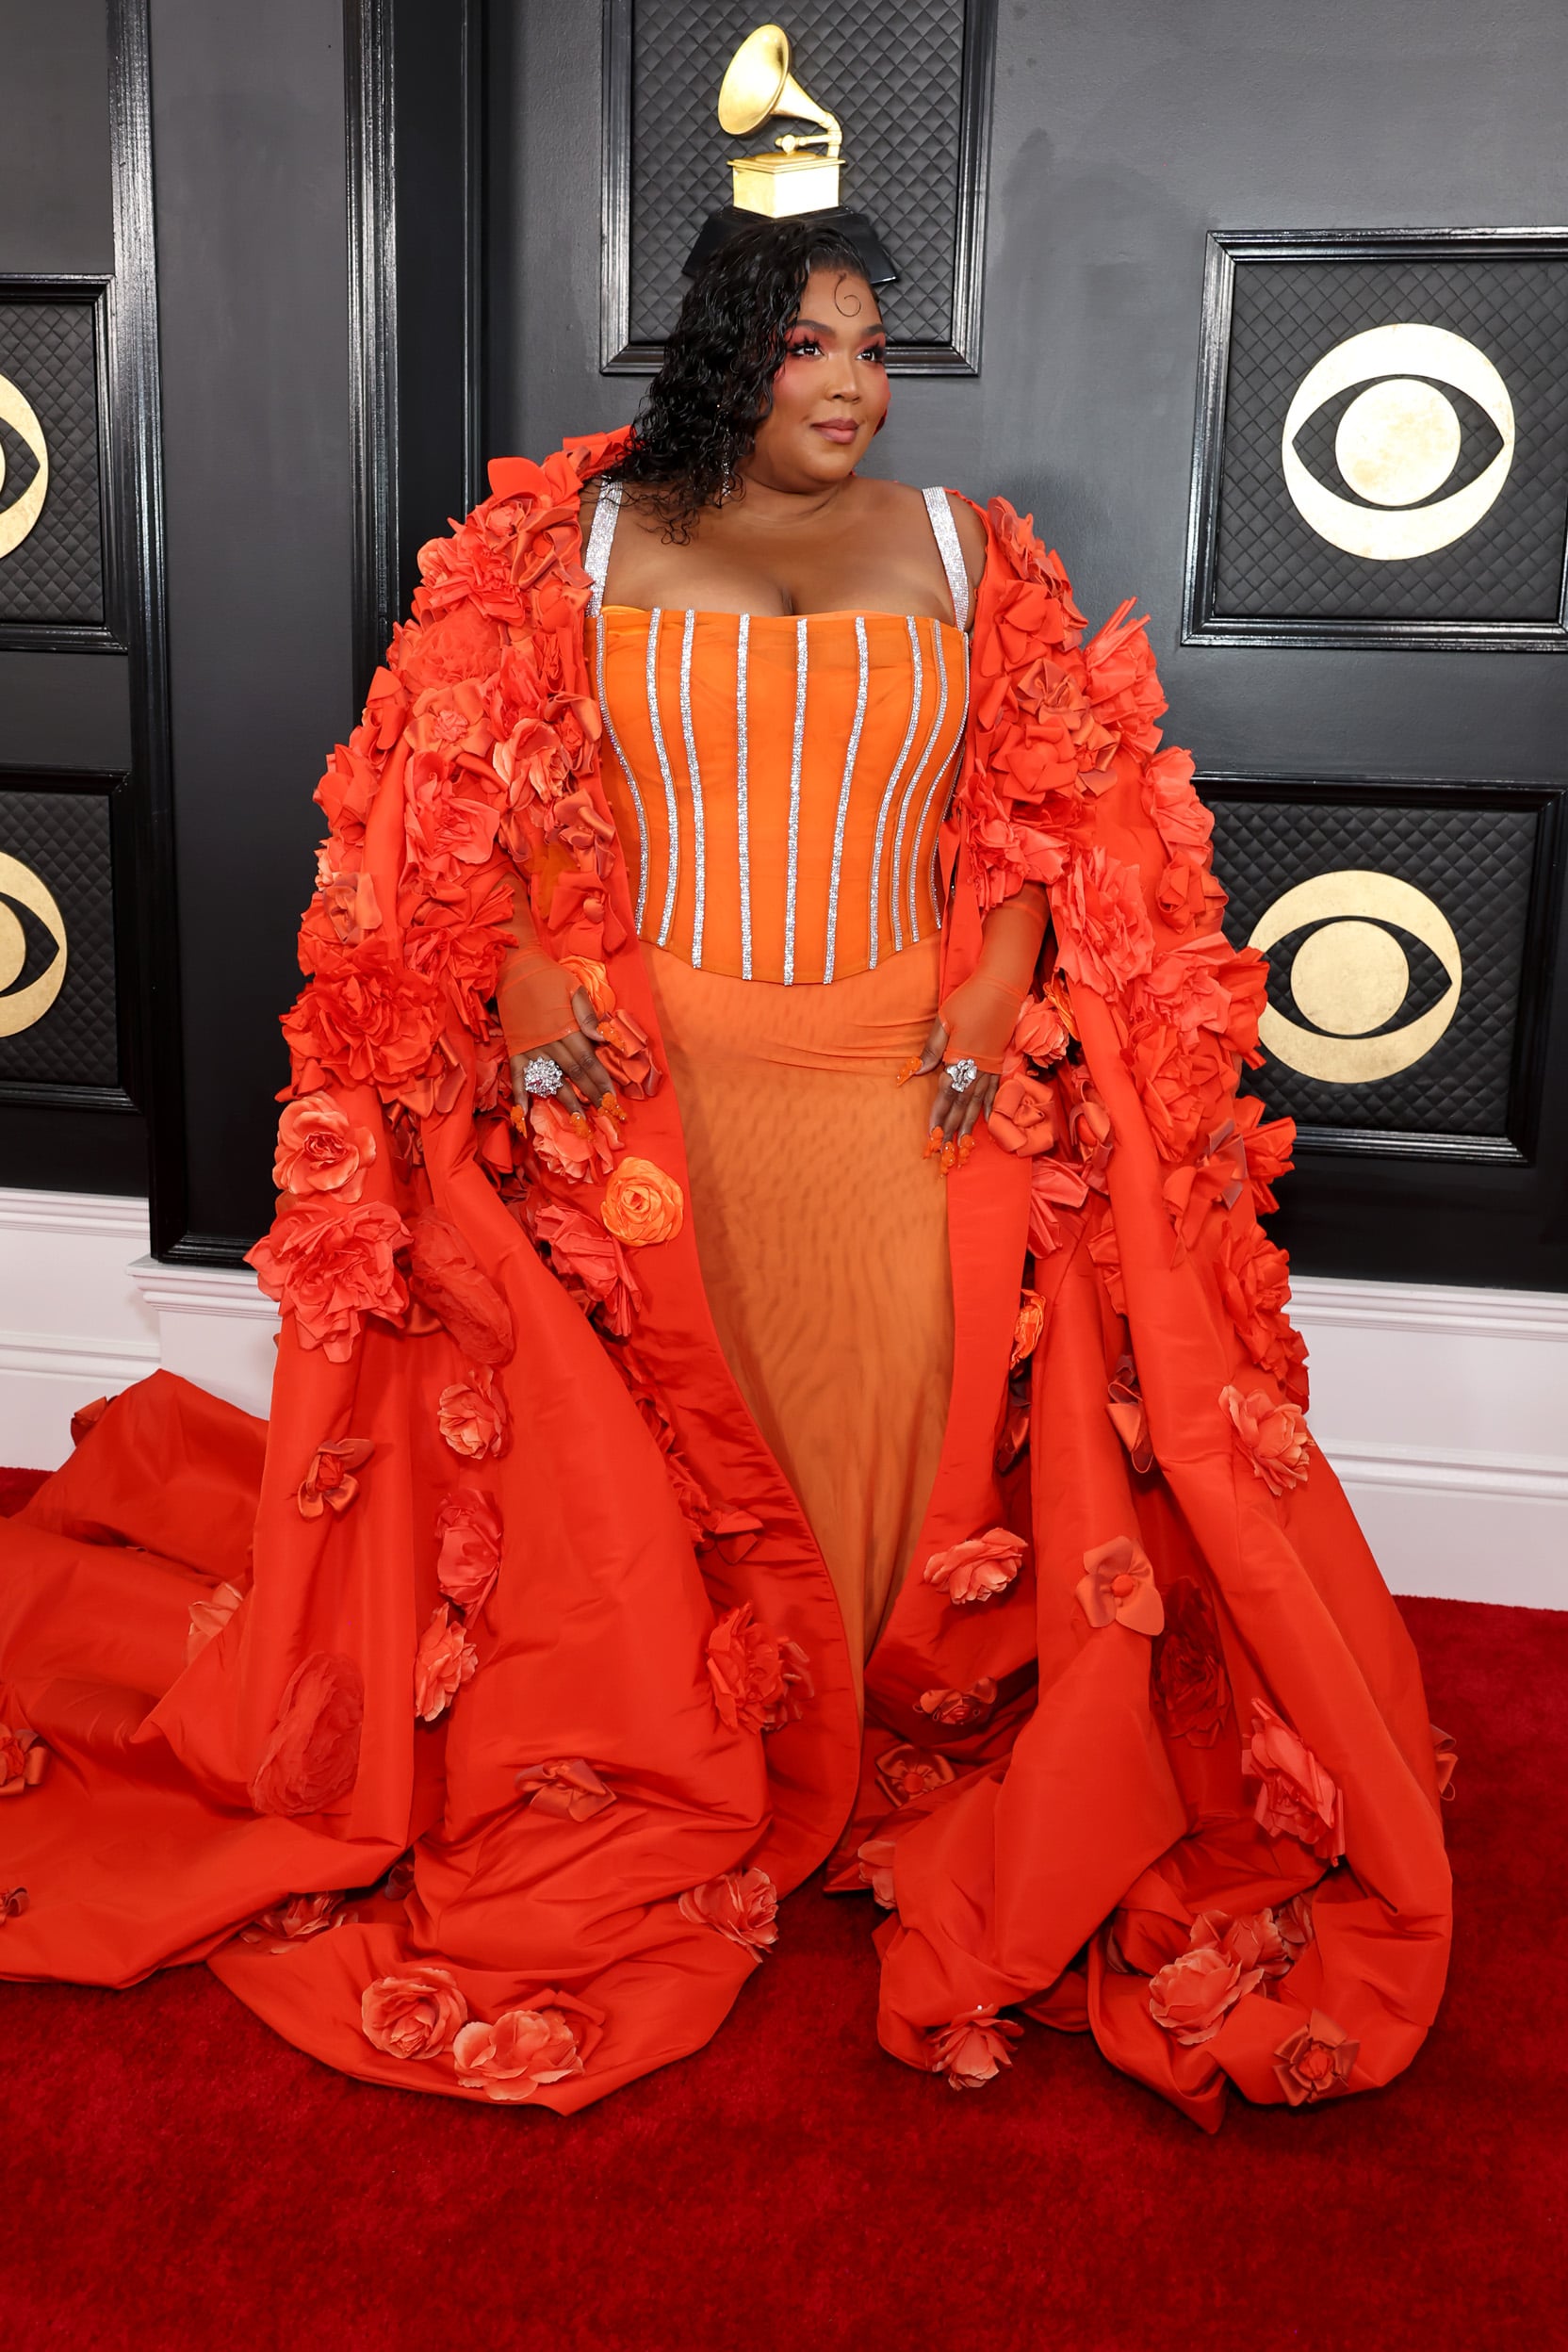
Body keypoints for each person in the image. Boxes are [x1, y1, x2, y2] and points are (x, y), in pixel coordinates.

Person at [0, 220, 1451, 2126]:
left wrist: (999, 989)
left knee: (890, 1432)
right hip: (649, 1103)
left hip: (898, 1096)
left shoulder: (968, 555)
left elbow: (1044, 798)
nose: (849, 382)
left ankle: (867, 1729)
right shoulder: (568, 549)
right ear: (716, 363)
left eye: (869, 347)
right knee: (677, 1445)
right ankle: (701, 1736)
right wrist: (522, 964)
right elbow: (471, 783)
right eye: (803, 346)